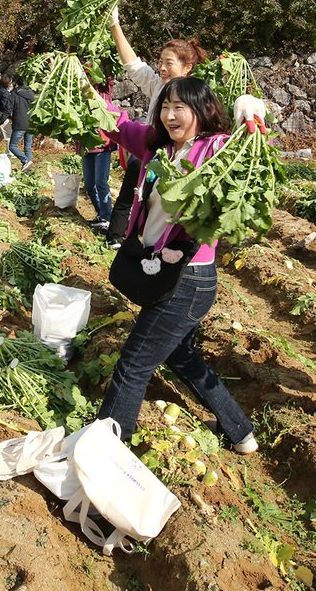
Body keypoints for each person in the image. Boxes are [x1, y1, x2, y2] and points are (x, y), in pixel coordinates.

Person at [99, 76, 262, 454]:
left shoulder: (216, 150)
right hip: (166, 273)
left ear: (201, 111)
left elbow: (253, 143)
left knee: (133, 365)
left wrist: (252, 113)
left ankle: (107, 453)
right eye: (165, 107)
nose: (170, 115)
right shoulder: (158, 148)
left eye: (180, 108)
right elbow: (119, 125)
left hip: (188, 279)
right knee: (180, 355)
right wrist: (84, 87)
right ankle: (241, 432)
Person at [105, 4, 208, 248]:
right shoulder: (159, 86)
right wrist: (114, 25)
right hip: (147, 149)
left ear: (187, 67)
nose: (161, 67)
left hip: (170, 162)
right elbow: (133, 65)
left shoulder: (195, 97)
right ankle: (119, 239)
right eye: (160, 61)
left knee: (163, 208)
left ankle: (163, 248)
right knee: (130, 195)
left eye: (168, 63)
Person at [80, 77, 118, 236]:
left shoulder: (103, 92)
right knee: (89, 184)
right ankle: (100, 213)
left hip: (102, 144)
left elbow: (108, 77)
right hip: (86, 144)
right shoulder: (80, 93)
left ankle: (107, 218)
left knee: (100, 182)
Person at [5, 76, 36, 172]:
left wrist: (3, 120)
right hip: (31, 123)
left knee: (12, 146)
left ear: (16, 83)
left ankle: (25, 160)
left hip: (19, 123)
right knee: (28, 146)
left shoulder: (14, 94)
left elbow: (8, 109)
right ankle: (29, 170)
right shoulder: (31, 94)